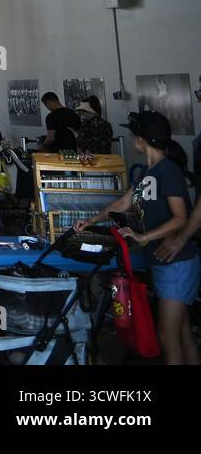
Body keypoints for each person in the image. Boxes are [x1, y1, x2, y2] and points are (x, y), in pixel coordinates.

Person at [78, 111, 199, 365]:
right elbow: (125, 202)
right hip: (163, 261)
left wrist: (144, 236)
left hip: (176, 263)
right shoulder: (149, 172)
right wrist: (92, 221)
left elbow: (180, 217)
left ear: (142, 140)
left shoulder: (168, 171)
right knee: (183, 332)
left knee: (168, 337)